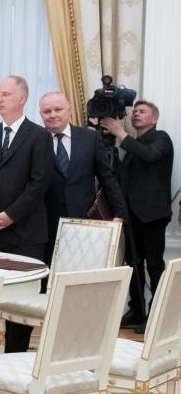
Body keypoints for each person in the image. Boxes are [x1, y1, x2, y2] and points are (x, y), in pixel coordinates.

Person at [0, 75, 53, 353]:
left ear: (22, 98)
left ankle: (15, 357)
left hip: (27, 233)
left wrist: (11, 215)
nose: (0, 99)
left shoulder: (39, 136)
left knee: (22, 300)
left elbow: (39, 183)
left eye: (5, 93)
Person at [101, 102, 174, 331]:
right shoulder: (133, 144)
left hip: (152, 215)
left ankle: (157, 314)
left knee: (154, 266)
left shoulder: (161, 138)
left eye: (142, 112)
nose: (136, 115)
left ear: (154, 119)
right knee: (132, 265)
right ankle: (137, 311)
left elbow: (150, 156)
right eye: (134, 112)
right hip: (131, 216)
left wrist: (121, 133)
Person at [39, 92, 126, 269]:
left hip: (84, 220)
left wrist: (119, 213)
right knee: (46, 275)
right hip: (44, 222)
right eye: (47, 111)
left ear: (69, 110)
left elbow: (107, 178)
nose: (53, 114)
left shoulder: (90, 138)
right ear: (41, 114)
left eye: (58, 109)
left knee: (78, 272)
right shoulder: (34, 140)